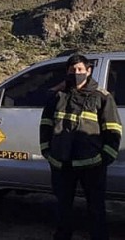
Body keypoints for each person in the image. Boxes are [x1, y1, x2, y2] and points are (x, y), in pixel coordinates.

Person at [39, 54, 122, 240]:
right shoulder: (58, 96)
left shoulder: (102, 97)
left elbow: (113, 129)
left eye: (80, 70)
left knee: (96, 209)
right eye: (72, 70)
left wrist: (105, 157)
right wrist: (47, 152)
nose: (76, 73)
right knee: (62, 208)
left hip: (92, 164)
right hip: (62, 163)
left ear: (88, 71)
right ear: (67, 72)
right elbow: (45, 124)